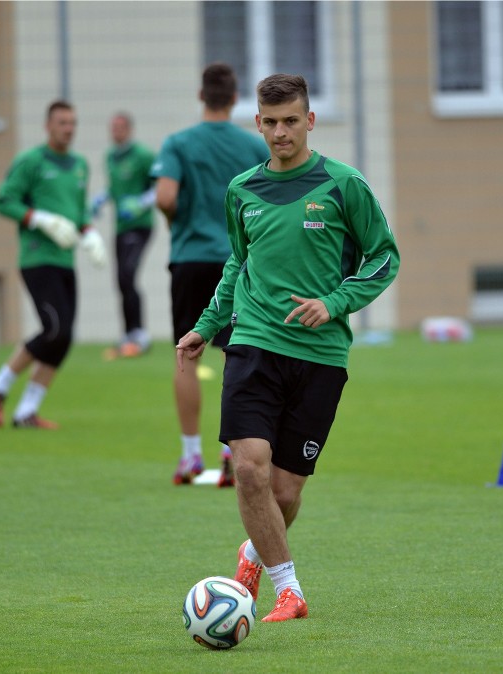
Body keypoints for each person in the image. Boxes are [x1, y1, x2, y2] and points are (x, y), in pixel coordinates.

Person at [176, 74, 400, 622]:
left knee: (285, 493)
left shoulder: (344, 185)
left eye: (291, 121)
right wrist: (207, 326)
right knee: (249, 469)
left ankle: (252, 554)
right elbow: (238, 264)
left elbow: (384, 257)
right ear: (257, 122)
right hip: (252, 343)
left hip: (321, 357)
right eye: (270, 122)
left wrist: (336, 301)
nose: (281, 132)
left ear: (309, 121)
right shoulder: (241, 190)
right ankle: (289, 591)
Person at [151, 63, 268, 487]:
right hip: (238, 261)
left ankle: (190, 456)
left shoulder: (179, 143)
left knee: (186, 353)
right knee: (234, 354)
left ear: (201, 96)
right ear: (235, 98)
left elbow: (165, 196)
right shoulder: (252, 146)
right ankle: (230, 454)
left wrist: (177, 222)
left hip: (191, 257)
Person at [0, 100, 107, 429]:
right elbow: (4, 201)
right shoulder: (30, 162)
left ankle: (26, 412)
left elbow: (79, 212)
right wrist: (39, 218)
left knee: (63, 338)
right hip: (38, 258)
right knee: (54, 330)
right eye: (62, 122)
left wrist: (90, 233)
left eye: (73, 123)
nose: (68, 128)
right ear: (48, 126)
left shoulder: (79, 164)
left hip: (65, 260)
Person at [90, 112, 157, 358]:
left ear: (129, 129)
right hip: (120, 226)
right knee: (120, 280)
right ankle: (128, 335)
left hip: (140, 225)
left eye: (120, 127)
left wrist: (141, 203)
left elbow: (159, 185)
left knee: (128, 275)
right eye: (113, 127)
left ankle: (140, 333)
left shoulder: (143, 155)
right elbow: (115, 187)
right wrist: (102, 198)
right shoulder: (110, 157)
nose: (116, 131)